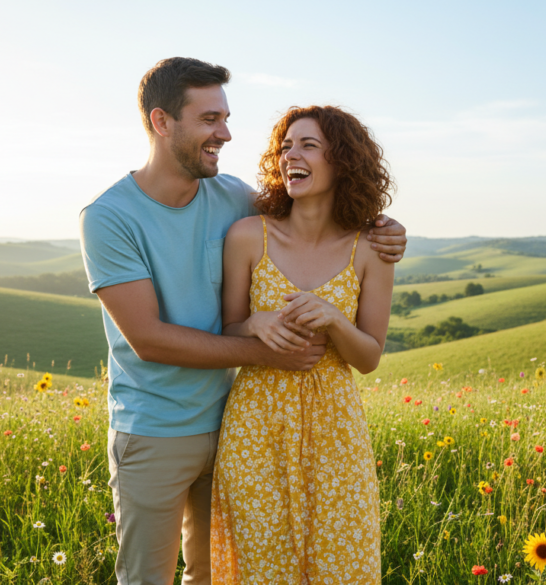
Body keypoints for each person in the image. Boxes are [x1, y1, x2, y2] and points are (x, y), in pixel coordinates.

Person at [78, 58, 407, 585]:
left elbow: (312, 211)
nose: (226, 134)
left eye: (226, 118)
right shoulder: (109, 217)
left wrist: (384, 227)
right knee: (148, 578)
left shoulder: (232, 197)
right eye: (210, 119)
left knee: (219, 575)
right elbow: (149, 339)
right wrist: (262, 345)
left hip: (232, 421)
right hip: (156, 430)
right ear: (163, 122)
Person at [210, 105, 394, 583]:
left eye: (308, 145)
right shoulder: (249, 237)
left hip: (336, 431)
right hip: (255, 428)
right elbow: (228, 330)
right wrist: (255, 325)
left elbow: (369, 357)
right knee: (261, 567)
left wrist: (335, 321)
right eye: (286, 146)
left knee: (342, 564)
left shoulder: (371, 249)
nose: (292, 154)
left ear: (343, 161)